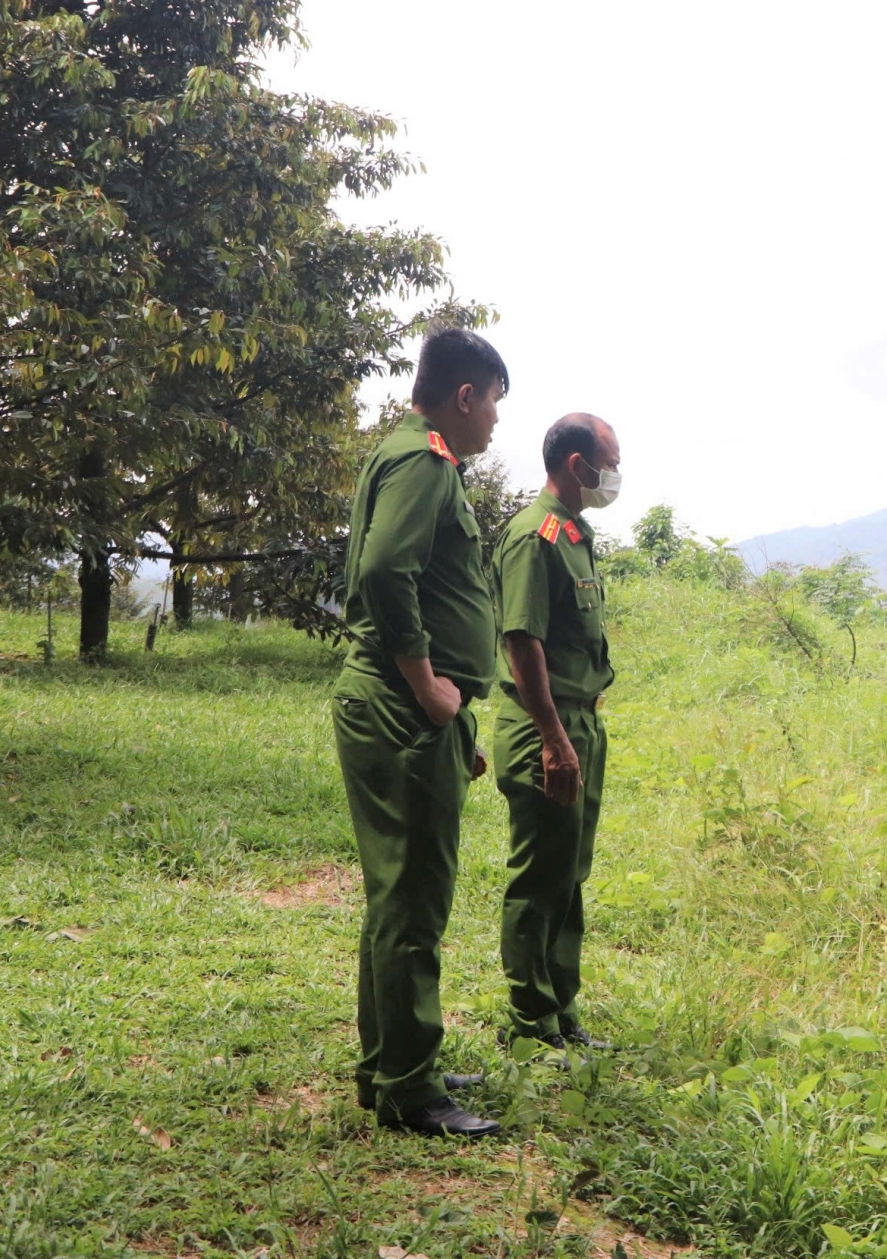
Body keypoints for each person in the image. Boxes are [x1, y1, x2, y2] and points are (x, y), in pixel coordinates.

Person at [331, 327, 507, 1138]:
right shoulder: (427, 461)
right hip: (403, 706)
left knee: (394, 892)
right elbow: (380, 572)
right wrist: (430, 686)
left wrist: (455, 718)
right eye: (495, 403)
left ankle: (392, 1061)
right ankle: (409, 1086)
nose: (497, 422)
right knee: (414, 899)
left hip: (409, 712)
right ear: (464, 397)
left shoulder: (403, 454)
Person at [491, 414, 621, 1054]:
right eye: (610, 462)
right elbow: (523, 642)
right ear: (577, 464)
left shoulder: (575, 533)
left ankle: (561, 1006)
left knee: (569, 871)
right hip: (544, 727)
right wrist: (552, 738)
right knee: (539, 870)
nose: (615, 477)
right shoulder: (535, 537)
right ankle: (530, 1016)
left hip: (579, 722)